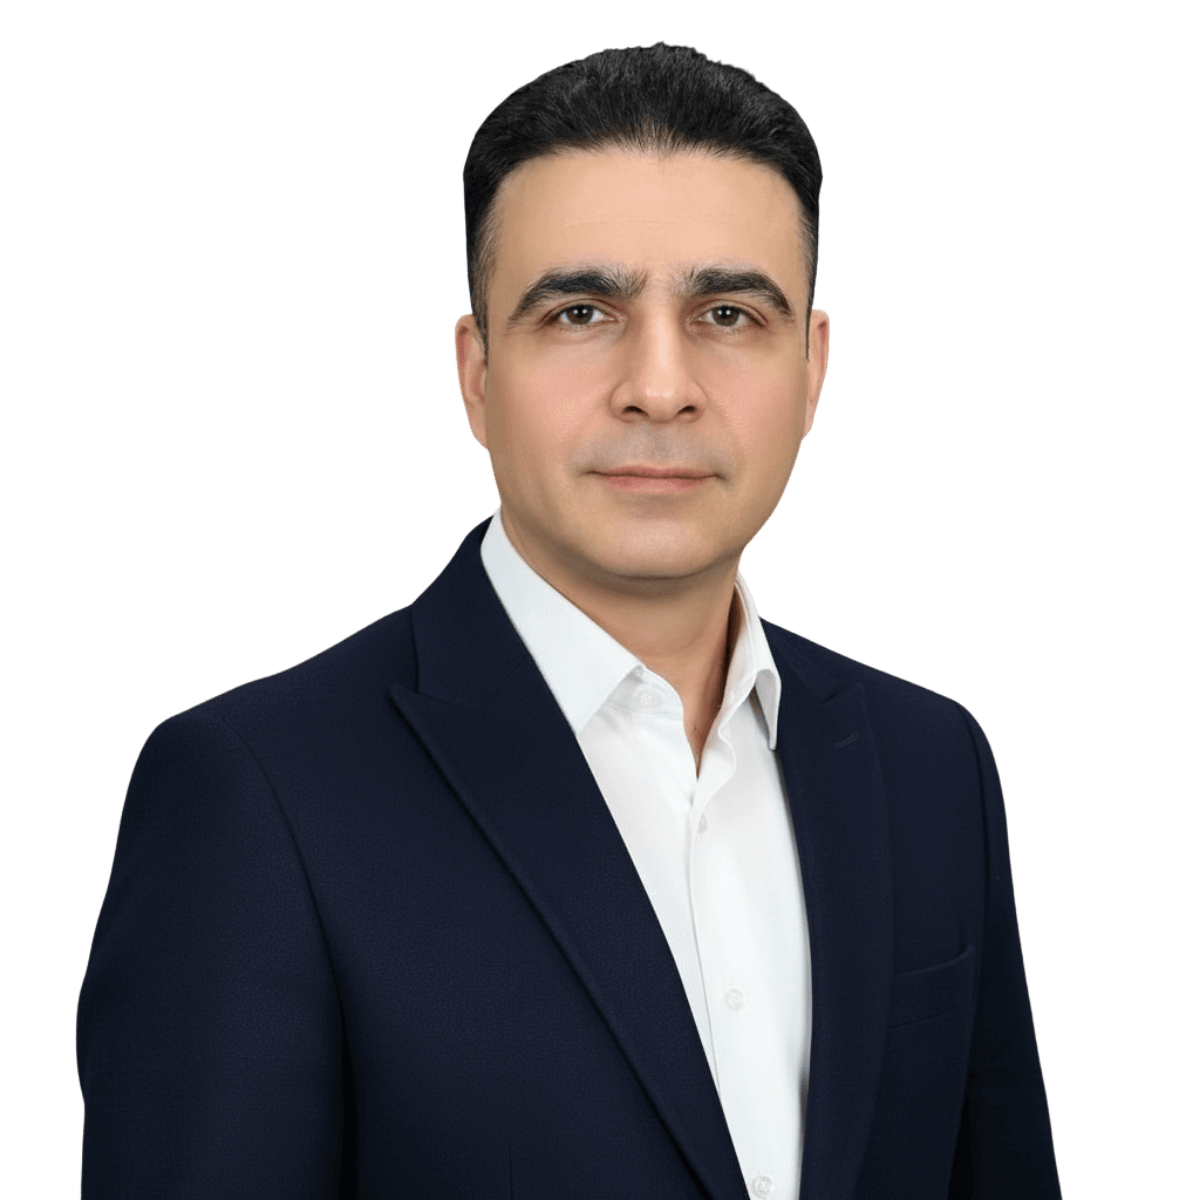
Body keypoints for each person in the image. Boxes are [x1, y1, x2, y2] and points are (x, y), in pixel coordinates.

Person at [77, 42, 1060, 1198]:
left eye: (729, 312)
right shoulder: (252, 793)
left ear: (813, 369)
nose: (660, 386)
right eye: (583, 311)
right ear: (475, 373)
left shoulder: (934, 763)